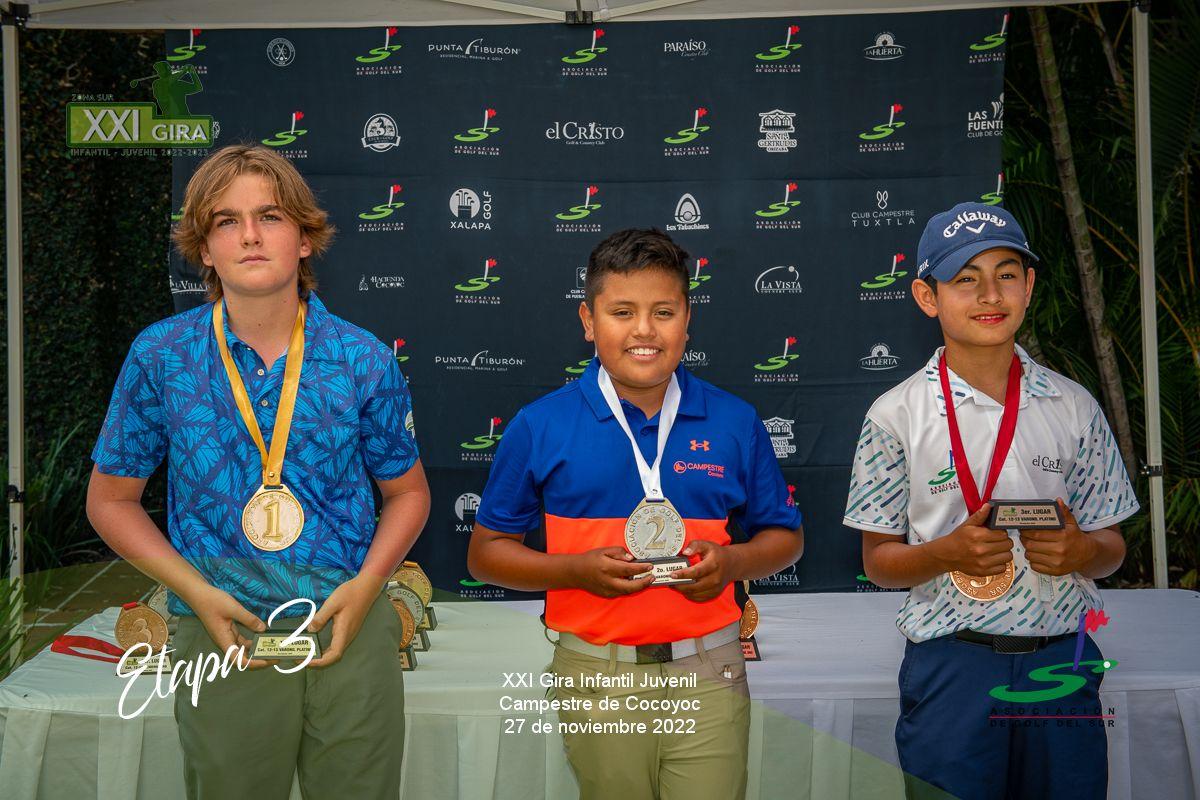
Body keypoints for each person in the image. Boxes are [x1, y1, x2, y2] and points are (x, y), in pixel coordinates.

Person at [86, 143, 430, 800]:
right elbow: (110, 500)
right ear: (204, 248)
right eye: (226, 221)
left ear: (304, 238)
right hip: (220, 625)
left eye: (269, 216)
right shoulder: (162, 355)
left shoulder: (362, 358)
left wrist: (368, 586)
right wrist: (195, 593)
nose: (249, 235)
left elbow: (408, 492)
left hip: (346, 621)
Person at [467, 228, 804, 800]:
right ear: (588, 320)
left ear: (687, 321)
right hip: (597, 674)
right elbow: (485, 556)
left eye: (663, 312)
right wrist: (574, 571)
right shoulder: (540, 424)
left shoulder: (734, 420)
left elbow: (786, 538)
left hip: (709, 669)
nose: (644, 330)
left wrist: (732, 564)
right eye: (622, 312)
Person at [843, 202, 1138, 800]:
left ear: (1028, 286)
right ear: (927, 296)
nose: (989, 294)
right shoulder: (895, 415)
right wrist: (945, 553)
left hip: (1061, 658)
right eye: (965, 278)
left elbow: (1112, 548)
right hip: (953, 662)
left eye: (1006, 274)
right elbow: (879, 562)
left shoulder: (1073, 406)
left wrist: (1082, 551)